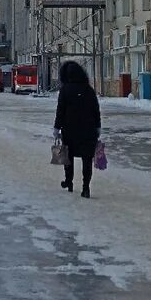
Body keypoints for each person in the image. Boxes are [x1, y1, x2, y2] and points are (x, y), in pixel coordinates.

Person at [53, 61, 101, 198]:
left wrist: (57, 128)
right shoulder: (88, 89)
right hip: (89, 130)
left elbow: (60, 111)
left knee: (68, 157)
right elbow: (95, 110)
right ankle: (86, 188)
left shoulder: (65, 89)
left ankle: (69, 181)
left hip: (70, 130)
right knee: (87, 159)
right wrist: (98, 127)